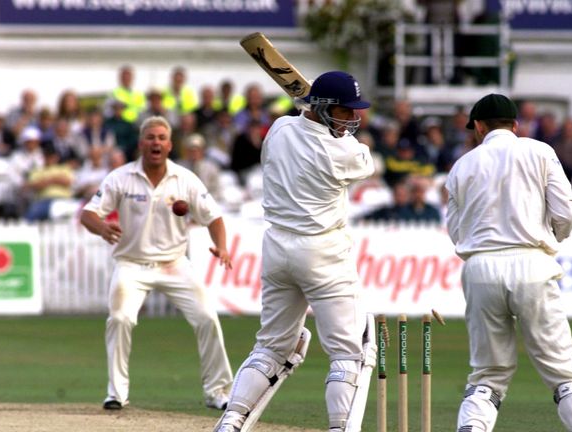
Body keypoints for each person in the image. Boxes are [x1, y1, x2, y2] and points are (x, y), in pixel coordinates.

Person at [214, 71, 376, 432]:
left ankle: (231, 422)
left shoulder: (278, 129)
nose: (351, 119)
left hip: (277, 249)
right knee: (348, 354)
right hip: (322, 251)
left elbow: (301, 126)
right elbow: (366, 161)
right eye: (344, 111)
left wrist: (319, 115)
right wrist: (335, 128)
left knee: (272, 348)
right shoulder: (344, 153)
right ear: (321, 107)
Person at [445, 93, 572, 432]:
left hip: (481, 268)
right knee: (563, 370)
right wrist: (551, 237)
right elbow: (568, 212)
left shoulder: (463, 165)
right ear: (515, 125)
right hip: (533, 263)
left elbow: (456, 230)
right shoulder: (540, 151)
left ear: (479, 126)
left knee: (488, 373)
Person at [79, 116, 234, 411]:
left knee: (207, 318)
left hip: (174, 263)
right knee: (121, 319)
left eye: (162, 138)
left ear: (170, 144)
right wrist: (101, 228)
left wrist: (222, 246)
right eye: (151, 137)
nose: (156, 142)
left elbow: (213, 217)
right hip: (131, 264)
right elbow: (89, 213)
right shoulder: (120, 177)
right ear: (141, 143)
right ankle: (116, 393)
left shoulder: (185, 179)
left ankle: (218, 392)